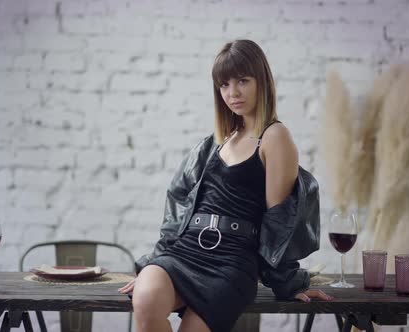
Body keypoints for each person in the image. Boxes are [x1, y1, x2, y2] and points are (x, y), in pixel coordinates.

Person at [118, 39, 332, 332]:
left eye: (243, 81)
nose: (233, 92)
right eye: (224, 84)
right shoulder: (218, 141)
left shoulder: (275, 136)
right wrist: (155, 264)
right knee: (146, 299)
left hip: (231, 262)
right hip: (185, 251)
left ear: (262, 81)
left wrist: (287, 282)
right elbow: (179, 203)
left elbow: (279, 220)